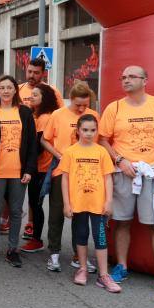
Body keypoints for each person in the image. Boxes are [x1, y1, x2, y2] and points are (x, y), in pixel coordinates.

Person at [99, 65, 154, 296]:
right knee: (122, 221)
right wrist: (120, 160)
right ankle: (122, 266)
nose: (126, 80)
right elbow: (103, 139)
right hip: (123, 172)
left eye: (131, 76)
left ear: (145, 80)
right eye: (123, 77)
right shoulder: (114, 107)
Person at [0, 75, 37, 268]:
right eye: (2, 87)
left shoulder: (25, 112)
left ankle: (13, 250)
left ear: (15, 90)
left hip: (19, 171)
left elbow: (31, 144)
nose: (5, 91)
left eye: (9, 87)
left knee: (16, 211)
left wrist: (29, 169)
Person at [42, 82, 100, 272]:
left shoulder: (93, 116)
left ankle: (78, 255)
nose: (82, 109)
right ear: (70, 99)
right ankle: (54, 253)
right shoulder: (58, 115)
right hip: (62, 170)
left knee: (81, 214)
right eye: (78, 105)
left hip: (85, 172)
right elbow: (44, 139)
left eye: (85, 104)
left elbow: (96, 145)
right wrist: (58, 154)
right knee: (57, 212)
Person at [60, 114, 121, 292]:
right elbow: (65, 179)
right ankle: (83, 269)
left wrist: (109, 201)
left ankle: (103, 275)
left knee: (100, 238)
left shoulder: (101, 151)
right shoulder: (70, 152)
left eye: (93, 130)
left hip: (98, 205)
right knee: (81, 235)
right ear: (78, 130)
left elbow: (108, 178)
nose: (89, 133)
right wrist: (66, 203)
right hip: (78, 203)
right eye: (85, 130)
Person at [20, 83, 58, 253]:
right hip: (38, 166)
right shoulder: (37, 115)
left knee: (36, 204)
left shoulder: (45, 117)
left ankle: (37, 240)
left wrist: (26, 162)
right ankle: (36, 237)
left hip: (43, 167)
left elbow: (39, 145)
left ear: (45, 98)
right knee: (35, 203)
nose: (30, 97)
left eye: (35, 95)